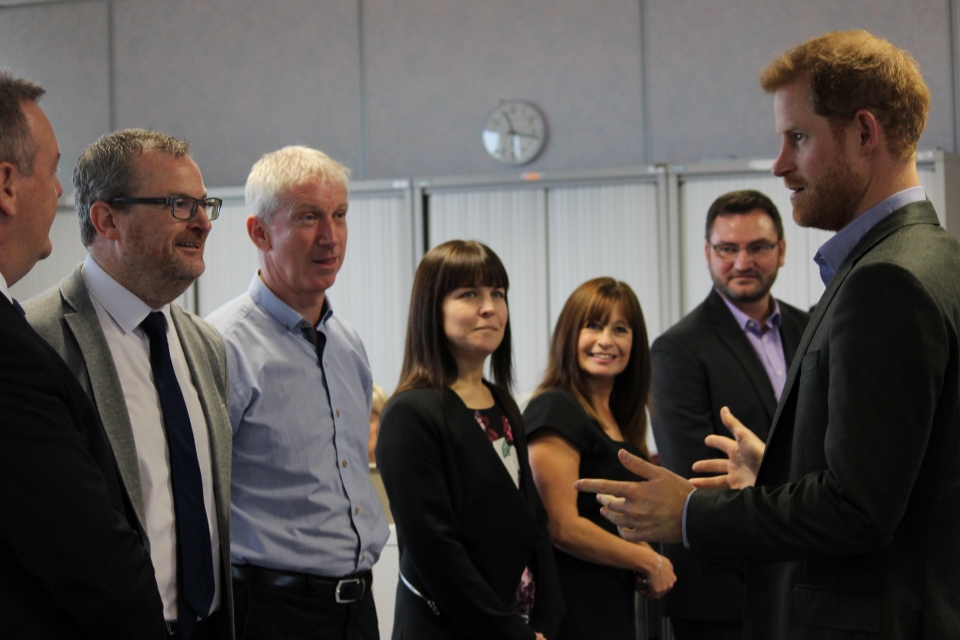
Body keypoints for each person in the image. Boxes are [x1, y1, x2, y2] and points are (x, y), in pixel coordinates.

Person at [576, 29, 960, 640]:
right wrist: (781, 468)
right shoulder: (932, 256)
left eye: (798, 137)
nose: (780, 163)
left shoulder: (885, 279)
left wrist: (694, 513)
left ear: (865, 133)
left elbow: (859, 508)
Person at [25, 128, 232, 639]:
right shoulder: (36, 341)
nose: (203, 222)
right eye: (180, 205)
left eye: (205, 204)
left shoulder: (206, 346)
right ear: (107, 219)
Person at [0, 71, 166, 638]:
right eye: (50, 171)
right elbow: (95, 569)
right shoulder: (17, 350)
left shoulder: (201, 346)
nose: (59, 191)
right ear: (6, 184)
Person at [207, 145, 388, 640]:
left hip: (357, 607)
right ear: (259, 232)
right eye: (308, 217)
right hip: (271, 611)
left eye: (340, 215)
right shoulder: (222, 345)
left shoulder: (347, 342)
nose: (330, 237)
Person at [375, 240, 564, 640]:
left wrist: (547, 616)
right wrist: (509, 631)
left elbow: (534, 520)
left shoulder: (503, 402)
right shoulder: (411, 413)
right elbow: (437, 551)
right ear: (433, 307)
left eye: (498, 293)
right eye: (469, 294)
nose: (489, 308)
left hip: (525, 626)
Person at [649, 190, 809, 640]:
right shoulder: (677, 349)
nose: (742, 262)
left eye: (757, 247)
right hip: (723, 593)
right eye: (727, 249)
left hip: (807, 577)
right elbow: (696, 473)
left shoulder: (812, 330)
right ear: (708, 253)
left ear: (781, 250)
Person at [523, 277, 675, 640]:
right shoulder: (555, 407)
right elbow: (561, 526)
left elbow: (609, 520)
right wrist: (647, 561)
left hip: (610, 608)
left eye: (620, 329)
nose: (606, 340)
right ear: (569, 334)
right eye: (593, 325)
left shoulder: (621, 419)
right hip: (568, 612)